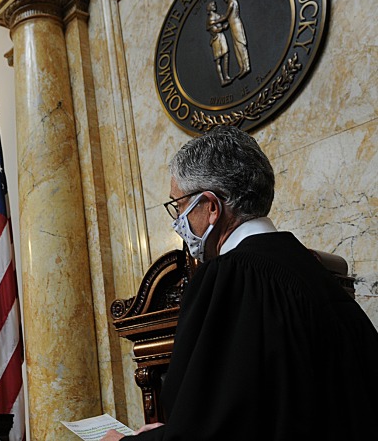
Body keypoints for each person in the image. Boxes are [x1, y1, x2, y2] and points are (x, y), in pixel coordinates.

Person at [102, 125, 378, 440]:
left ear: (211, 207)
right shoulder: (316, 272)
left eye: (178, 206)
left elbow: (215, 430)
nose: (178, 221)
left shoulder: (231, 278)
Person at [217, 0, 251, 78]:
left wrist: (215, 21)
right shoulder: (230, 2)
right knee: (236, 47)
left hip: (236, 26)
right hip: (233, 26)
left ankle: (246, 66)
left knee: (240, 44)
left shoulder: (232, 2)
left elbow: (226, 16)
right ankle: (242, 68)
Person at [206, 1, 231, 86]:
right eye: (212, 5)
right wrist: (223, 27)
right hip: (216, 39)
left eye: (214, 5)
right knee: (218, 60)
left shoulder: (218, 15)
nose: (214, 6)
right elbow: (214, 30)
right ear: (209, 8)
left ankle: (227, 76)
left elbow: (224, 17)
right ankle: (222, 80)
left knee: (226, 55)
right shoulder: (209, 19)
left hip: (222, 37)